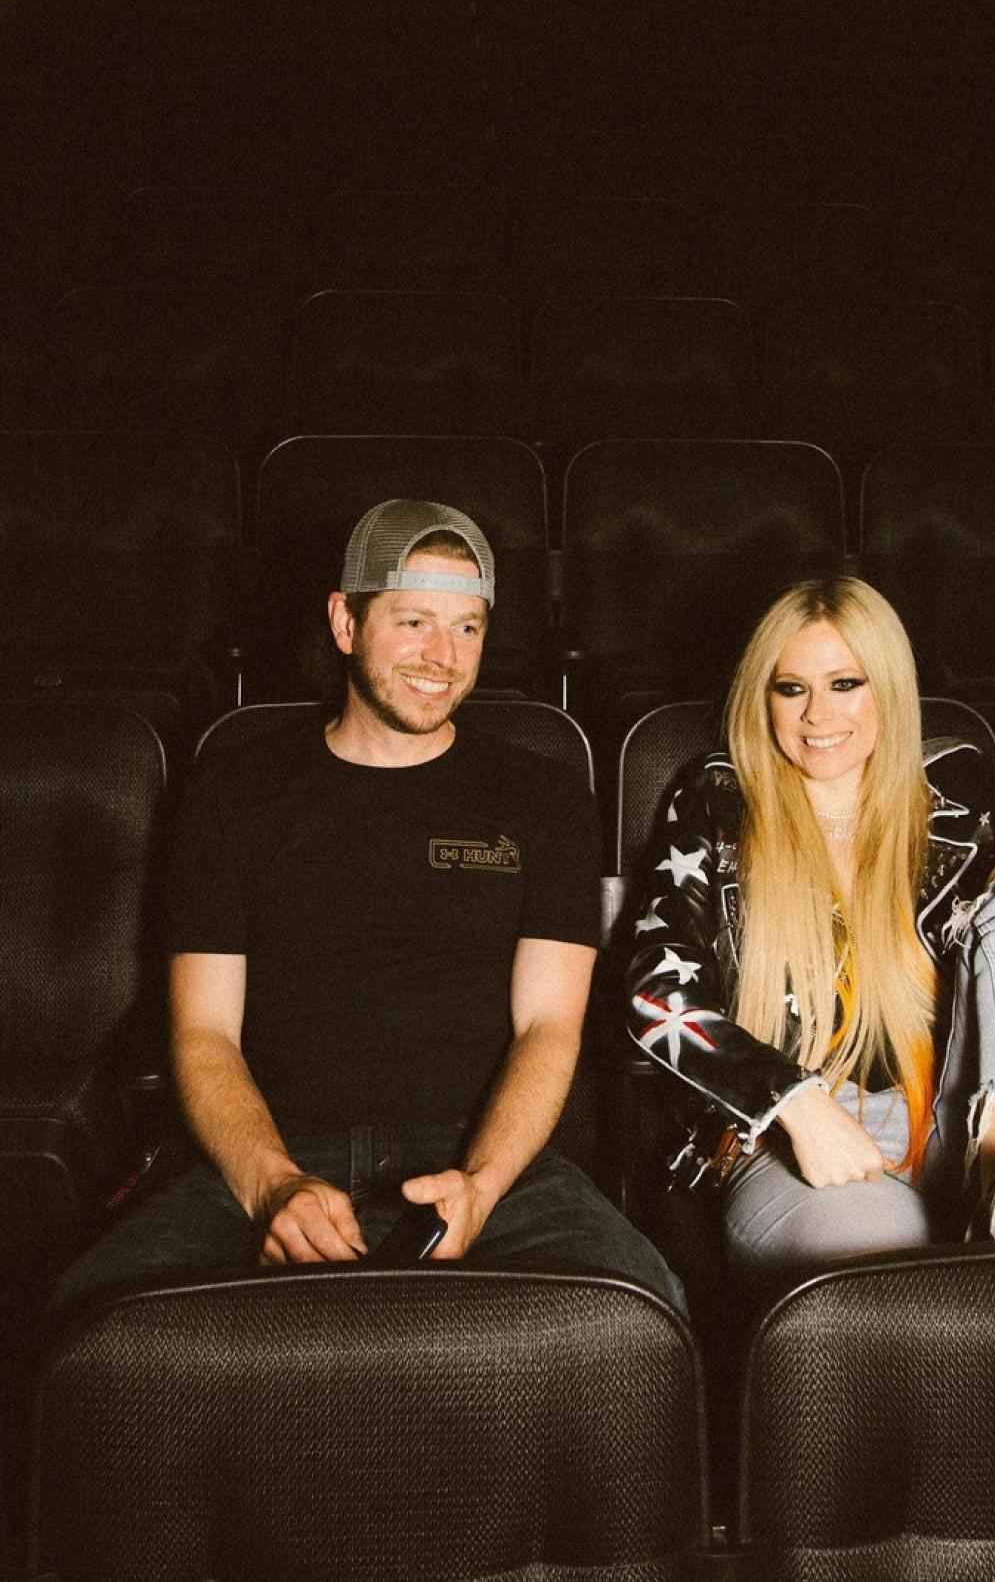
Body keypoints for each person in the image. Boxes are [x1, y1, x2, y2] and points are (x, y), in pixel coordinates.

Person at [56, 499, 680, 1311]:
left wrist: (482, 1185)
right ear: (345, 623)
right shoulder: (234, 791)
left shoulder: (543, 797)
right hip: (268, 1153)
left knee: (640, 1307)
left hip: (484, 1161)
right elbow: (204, 1032)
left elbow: (548, 1027)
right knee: (93, 1317)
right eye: (414, 622)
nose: (442, 657)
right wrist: (272, 1186)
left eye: (467, 628)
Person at [627, 576, 995, 1277]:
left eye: (845, 684)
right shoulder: (717, 801)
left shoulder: (956, 797)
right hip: (792, 1146)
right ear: (763, 697)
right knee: (880, 1246)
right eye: (791, 689)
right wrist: (792, 1103)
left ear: (887, 686)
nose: (818, 714)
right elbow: (654, 991)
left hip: (962, 1125)